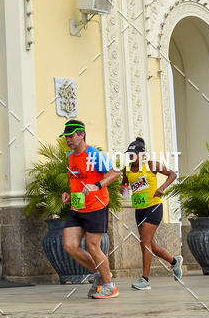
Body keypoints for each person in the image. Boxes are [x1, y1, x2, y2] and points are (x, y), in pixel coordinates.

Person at [60, 119, 122, 299]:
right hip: (77, 207)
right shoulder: (71, 157)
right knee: (70, 245)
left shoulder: (93, 155)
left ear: (82, 134)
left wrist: (98, 185)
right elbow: (78, 180)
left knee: (92, 246)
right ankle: (99, 275)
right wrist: (69, 195)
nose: (68, 140)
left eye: (71, 136)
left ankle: (110, 286)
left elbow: (115, 173)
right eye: (66, 136)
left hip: (96, 206)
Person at [122, 137, 183, 290]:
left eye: (133, 154)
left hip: (154, 207)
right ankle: (174, 262)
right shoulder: (127, 169)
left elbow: (172, 175)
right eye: (129, 154)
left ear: (142, 154)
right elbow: (124, 184)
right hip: (139, 210)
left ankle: (145, 280)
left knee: (144, 242)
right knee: (150, 244)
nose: (130, 157)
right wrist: (123, 189)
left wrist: (162, 188)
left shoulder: (151, 165)